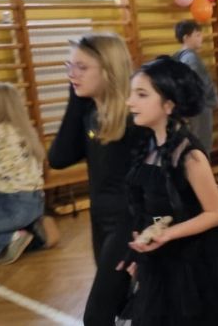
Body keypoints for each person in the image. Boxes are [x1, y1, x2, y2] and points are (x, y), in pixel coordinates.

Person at [124, 56, 218, 325]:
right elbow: (150, 204)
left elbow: (216, 213)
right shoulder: (146, 146)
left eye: (141, 95)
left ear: (168, 105)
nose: (130, 102)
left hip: (195, 261)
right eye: (132, 93)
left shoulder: (189, 155)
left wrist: (167, 234)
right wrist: (142, 245)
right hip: (162, 256)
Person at [48, 33, 149, 325]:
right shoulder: (91, 114)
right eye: (69, 66)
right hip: (100, 221)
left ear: (108, 70)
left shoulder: (135, 118)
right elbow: (59, 158)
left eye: (82, 67)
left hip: (129, 224)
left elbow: (158, 182)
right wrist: (75, 97)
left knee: (97, 315)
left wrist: (145, 235)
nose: (72, 74)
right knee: (122, 305)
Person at [0, 83, 57, 265]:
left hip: (13, 209)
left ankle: (14, 239)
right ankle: (32, 234)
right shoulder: (26, 133)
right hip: (35, 205)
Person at [173, 20, 218, 157]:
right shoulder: (190, 58)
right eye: (197, 35)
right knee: (202, 144)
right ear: (186, 38)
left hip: (192, 107)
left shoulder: (178, 56)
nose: (201, 38)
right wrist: (212, 99)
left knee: (195, 143)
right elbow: (199, 85)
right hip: (200, 107)